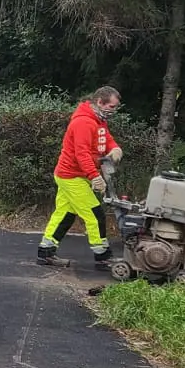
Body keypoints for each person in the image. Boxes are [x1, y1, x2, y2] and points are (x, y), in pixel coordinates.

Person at [38, 85, 123, 267]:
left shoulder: (98, 120)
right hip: (72, 176)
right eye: (112, 107)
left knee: (65, 214)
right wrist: (94, 176)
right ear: (100, 102)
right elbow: (81, 154)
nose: (113, 111)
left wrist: (114, 148)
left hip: (72, 175)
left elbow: (104, 138)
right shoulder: (84, 122)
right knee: (95, 214)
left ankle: (45, 252)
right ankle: (103, 257)